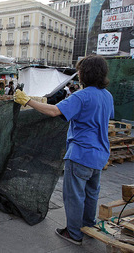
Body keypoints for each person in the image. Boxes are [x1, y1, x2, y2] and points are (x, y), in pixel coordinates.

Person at [13, 55, 114, 246]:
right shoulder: (107, 96)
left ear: (86, 73)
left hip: (81, 154)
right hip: (100, 154)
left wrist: (27, 101)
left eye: (80, 71)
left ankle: (74, 233)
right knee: (92, 193)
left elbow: (54, 111)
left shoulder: (82, 96)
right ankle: (88, 227)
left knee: (74, 195)